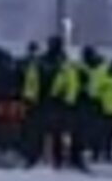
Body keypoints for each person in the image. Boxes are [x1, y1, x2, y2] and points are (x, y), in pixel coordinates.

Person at [21, 36, 81, 170]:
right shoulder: (42, 62)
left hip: (55, 101)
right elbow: (31, 80)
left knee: (55, 133)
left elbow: (72, 84)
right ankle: (35, 158)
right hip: (42, 100)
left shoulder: (64, 63)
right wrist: (29, 97)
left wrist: (68, 100)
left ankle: (55, 160)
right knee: (38, 132)